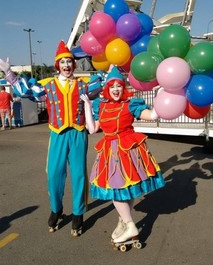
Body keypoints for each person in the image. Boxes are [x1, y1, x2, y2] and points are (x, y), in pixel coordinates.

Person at [0, 41, 91, 237]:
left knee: (79, 175)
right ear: (58, 65)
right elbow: (25, 91)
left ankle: (78, 213)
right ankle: (56, 209)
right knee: (54, 174)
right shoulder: (48, 86)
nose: (66, 65)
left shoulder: (84, 86)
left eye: (69, 61)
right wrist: (9, 74)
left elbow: (108, 91)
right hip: (57, 134)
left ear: (73, 65)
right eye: (63, 62)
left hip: (78, 133)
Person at [81, 66, 165, 248]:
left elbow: (153, 115)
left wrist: (160, 96)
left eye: (119, 85)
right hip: (110, 152)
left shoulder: (130, 104)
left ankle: (129, 225)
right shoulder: (100, 106)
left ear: (123, 87)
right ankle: (124, 220)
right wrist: (87, 105)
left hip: (128, 150)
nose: (116, 89)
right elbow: (92, 128)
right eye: (112, 86)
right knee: (121, 189)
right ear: (107, 88)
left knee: (122, 188)